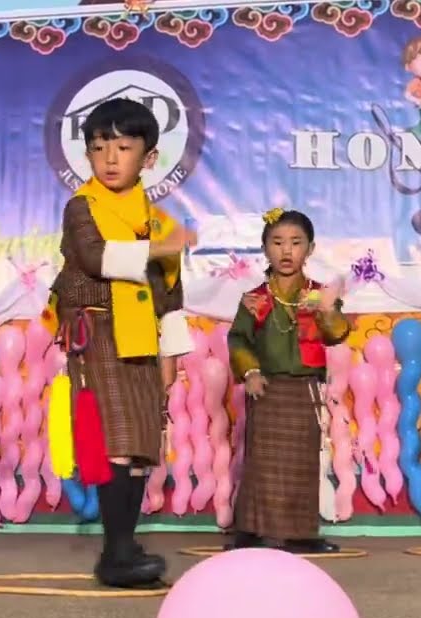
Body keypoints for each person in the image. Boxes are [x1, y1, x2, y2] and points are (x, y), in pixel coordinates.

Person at [46, 98, 196, 588]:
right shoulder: (82, 207)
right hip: (98, 334)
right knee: (113, 441)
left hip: (141, 341)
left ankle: (125, 547)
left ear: (149, 159)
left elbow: (169, 292)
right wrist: (157, 248)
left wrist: (171, 354)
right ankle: (115, 552)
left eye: (124, 147)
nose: (110, 158)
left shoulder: (157, 221)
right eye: (98, 147)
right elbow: (94, 257)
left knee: (138, 447)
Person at [226, 208, 350, 554]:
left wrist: (328, 310)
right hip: (266, 388)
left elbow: (337, 334)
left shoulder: (316, 295)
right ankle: (253, 531)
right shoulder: (255, 298)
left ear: (309, 249)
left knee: (303, 464)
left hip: (305, 389)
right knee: (263, 466)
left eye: (296, 243)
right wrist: (249, 372)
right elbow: (238, 340)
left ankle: (300, 534)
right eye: (277, 242)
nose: (286, 250)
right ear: (265, 248)